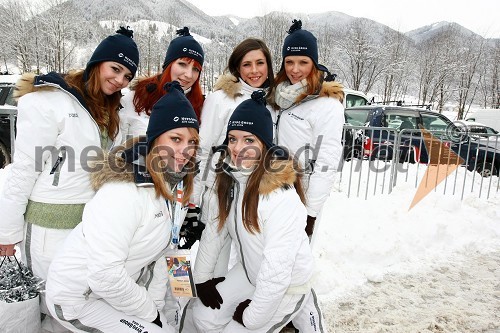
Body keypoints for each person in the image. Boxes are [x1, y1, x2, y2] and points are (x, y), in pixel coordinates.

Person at [0, 26, 139, 331]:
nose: (119, 80)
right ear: (97, 63)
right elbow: (24, 169)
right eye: (115, 69)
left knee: (73, 308)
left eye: (127, 76)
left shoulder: (107, 108)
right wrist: (7, 233)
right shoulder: (51, 101)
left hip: (84, 226)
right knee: (56, 307)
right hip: (48, 226)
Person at [45, 81, 199, 333]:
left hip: (117, 291)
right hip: (79, 299)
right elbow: (104, 276)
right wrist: (150, 313)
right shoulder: (123, 193)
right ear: (154, 139)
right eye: (175, 138)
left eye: (192, 141)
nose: (186, 150)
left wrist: (157, 308)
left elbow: (167, 251)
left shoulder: (174, 184)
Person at [180, 91, 326, 333]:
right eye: (232, 138)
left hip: (286, 286)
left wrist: (253, 316)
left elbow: (276, 271)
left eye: (249, 140)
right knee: (204, 318)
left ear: (264, 145)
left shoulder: (280, 198)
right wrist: (203, 279)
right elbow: (215, 233)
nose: (238, 148)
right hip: (251, 273)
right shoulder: (229, 181)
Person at [268, 19, 345, 247]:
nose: (295, 69)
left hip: (303, 190)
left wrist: (310, 213)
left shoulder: (327, 105)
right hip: (274, 185)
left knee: (295, 259)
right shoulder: (279, 96)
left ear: (315, 64)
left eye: (303, 62)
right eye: (289, 62)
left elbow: (327, 161)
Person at [120, 26, 204, 139]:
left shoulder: (201, 107)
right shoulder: (136, 99)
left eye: (196, 69)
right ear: (168, 65)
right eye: (182, 64)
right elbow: (117, 147)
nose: (189, 75)